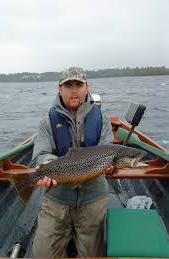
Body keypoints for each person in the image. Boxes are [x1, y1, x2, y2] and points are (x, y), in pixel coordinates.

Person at [32, 67, 114, 258]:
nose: (74, 90)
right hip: (57, 198)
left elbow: (108, 150)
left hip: (93, 197)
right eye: (68, 85)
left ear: (87, 87)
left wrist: (111, 166)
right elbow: (42, 153)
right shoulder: (47, 120)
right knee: (42, 254)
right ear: (59, 89)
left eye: (79, 84)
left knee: (93, 254)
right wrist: (47, 164)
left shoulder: (102, 118)